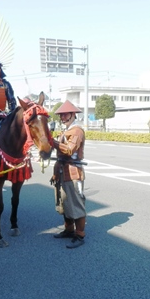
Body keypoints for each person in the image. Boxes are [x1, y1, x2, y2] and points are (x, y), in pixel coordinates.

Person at [50, 100, 87, 249]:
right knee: (64, 203)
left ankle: (79, 234)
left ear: (73, 115)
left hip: (73, 172)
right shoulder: (65, 131)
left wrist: (52, 142)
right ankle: (69, 229)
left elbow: (69, 150)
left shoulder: (77, 131)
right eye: (61, 115)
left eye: (65, 115)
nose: (62, 118)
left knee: (76, 203)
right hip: (62, 170)